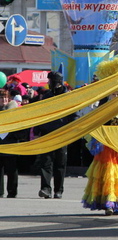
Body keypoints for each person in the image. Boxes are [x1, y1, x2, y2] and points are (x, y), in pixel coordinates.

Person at [82, 91, 118, 216]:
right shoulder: (104, 108)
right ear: (109, 95)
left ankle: (116, 203)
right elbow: (96, 124)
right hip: (106, 146)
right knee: (107, 173)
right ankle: (108, 203)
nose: (116, 96)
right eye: (114, 94)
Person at [33, 71, 75, 199]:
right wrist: (37, 129)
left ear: (56, 82)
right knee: (46, 162)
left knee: (60, 163)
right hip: (47, 133)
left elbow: (74, 115)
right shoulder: (47, 96)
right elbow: (41, 113)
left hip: (61, 134)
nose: (48, 83)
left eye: (50, 81)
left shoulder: (67, 97)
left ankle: (58, 190)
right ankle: (46, 189)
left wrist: (70, 130)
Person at [0, 90, 24, 198]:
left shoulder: (14, 111)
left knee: (12, 170)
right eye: (1, 98)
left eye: (5, 98)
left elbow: (20, 128)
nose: (4, 100)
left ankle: (12, 191)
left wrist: (15, 136)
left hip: (11, 144)